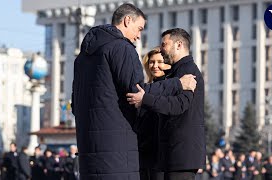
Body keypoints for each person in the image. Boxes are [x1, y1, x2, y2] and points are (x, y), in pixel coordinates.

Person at [71, 3, 197, 180]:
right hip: (117, 152)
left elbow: (75, 105)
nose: (138, 36)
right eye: (139, 28)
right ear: (127, 20)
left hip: (88, 152)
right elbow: (137, 91)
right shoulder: (121, 47)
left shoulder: (83, 57)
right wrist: (177, 84)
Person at [127, 28, 205, 180]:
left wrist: (145, 99)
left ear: (179, 45)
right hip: (173, 153)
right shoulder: (177, 72)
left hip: (182, 155)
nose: (161, 49)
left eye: (164, 45)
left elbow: (178, 105)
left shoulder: (188, 72)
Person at [136, 47, 171, 180]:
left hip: (162, 155)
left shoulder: (171, 88)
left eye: (159, 62)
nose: (155, 66)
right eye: (151, 62)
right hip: (144, 154)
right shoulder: (144, 89)